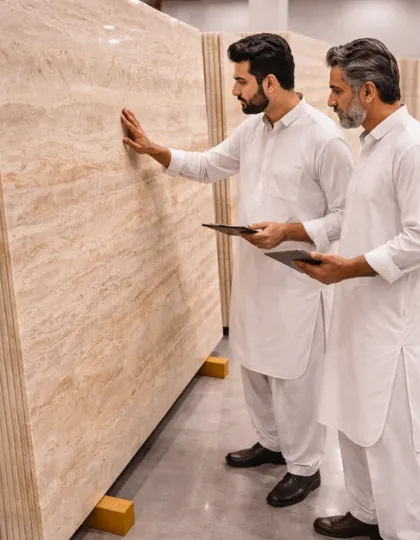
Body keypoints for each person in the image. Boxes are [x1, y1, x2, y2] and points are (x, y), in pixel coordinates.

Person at [121, 33, 353, 507]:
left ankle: (305, 468)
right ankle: (271, 443)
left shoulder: (324, 139)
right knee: (255, 368)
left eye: (241, 81)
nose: (234, 90)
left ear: (269, 82)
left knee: (296, 379)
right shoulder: (253, 131)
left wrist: (288, 231)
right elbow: (208, 165)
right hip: (253, 277)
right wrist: (153, 149)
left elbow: (345, 216)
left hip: (298, 281)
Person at [295, 38, 420, 540]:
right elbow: (357, 220)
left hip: (390, 326)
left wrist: (349, 268)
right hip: (356, 311)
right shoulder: (371, 144)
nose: (329, 100)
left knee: (391, 439)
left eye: (336, 90)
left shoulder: (410, 147)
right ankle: (366, 514)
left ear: (367, 91)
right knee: (352, 420)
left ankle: (402, 530)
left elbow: (418, 238)